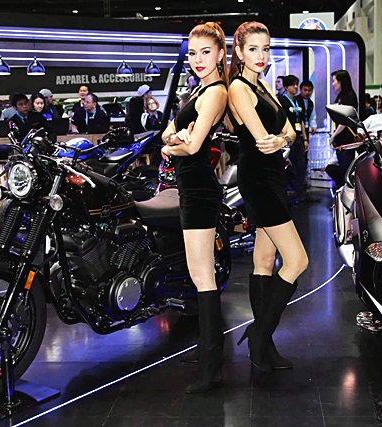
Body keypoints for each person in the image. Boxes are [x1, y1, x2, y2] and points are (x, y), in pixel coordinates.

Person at [227, 21, 308, 373]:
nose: (261, 55)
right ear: (239, 52)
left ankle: (264, 345)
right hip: (258, 179)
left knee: (264, 260)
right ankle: (259, 334)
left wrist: (282, 140)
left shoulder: (263, 87)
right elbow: (264, 140)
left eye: (266, 48)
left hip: (273, 177)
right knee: (297, 261)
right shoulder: (238, 88)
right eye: (253, 49)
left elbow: (289, 132)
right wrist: (280, 139)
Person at [161, 22, 228, 393]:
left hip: (200, 190)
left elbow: (191, 145)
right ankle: (210, 358)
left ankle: (211, 367)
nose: (198, 59)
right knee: (198, 275)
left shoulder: (215, 92)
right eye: (192, 53)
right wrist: (175, 138)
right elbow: (167, 133)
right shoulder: (197, 91)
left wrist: (175, 143)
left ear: (220, 54)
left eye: (205, 52)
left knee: (203, 277)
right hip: (189, 188)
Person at [325, 70, 359, 190]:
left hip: (346, 140)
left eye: (334, 81)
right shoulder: (342, 96)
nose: (333, 84)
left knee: (345, 168)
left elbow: (344, 121)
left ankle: (346, 192)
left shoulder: (349, 97)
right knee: (342, 167)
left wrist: (334, 135)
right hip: (341, 140)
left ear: (341, 82)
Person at [279, 75, 308, 200]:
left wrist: (305, 139)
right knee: (291, 166)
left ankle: (301, 192)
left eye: (296, 84)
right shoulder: (282, 101)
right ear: (286, 87)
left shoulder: (299, 101)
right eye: (293, 85)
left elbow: (302, 120)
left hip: (299, 137)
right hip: (288, 138)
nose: (296, 87)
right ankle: (290, 192)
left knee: (301, 165)